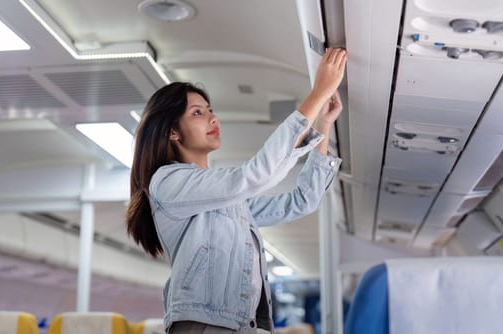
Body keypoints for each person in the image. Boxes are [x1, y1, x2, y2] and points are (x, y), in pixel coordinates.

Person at [126, 48, 347, 333]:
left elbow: (301, 202)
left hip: (240, 325)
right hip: (205, 325)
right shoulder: (168, 182)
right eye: (197, 113)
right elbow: (255, 175)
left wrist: (324, 125)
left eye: (210, 111)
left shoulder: (230, 201)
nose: (213, 119)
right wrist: (316, 95)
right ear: (173, 132)